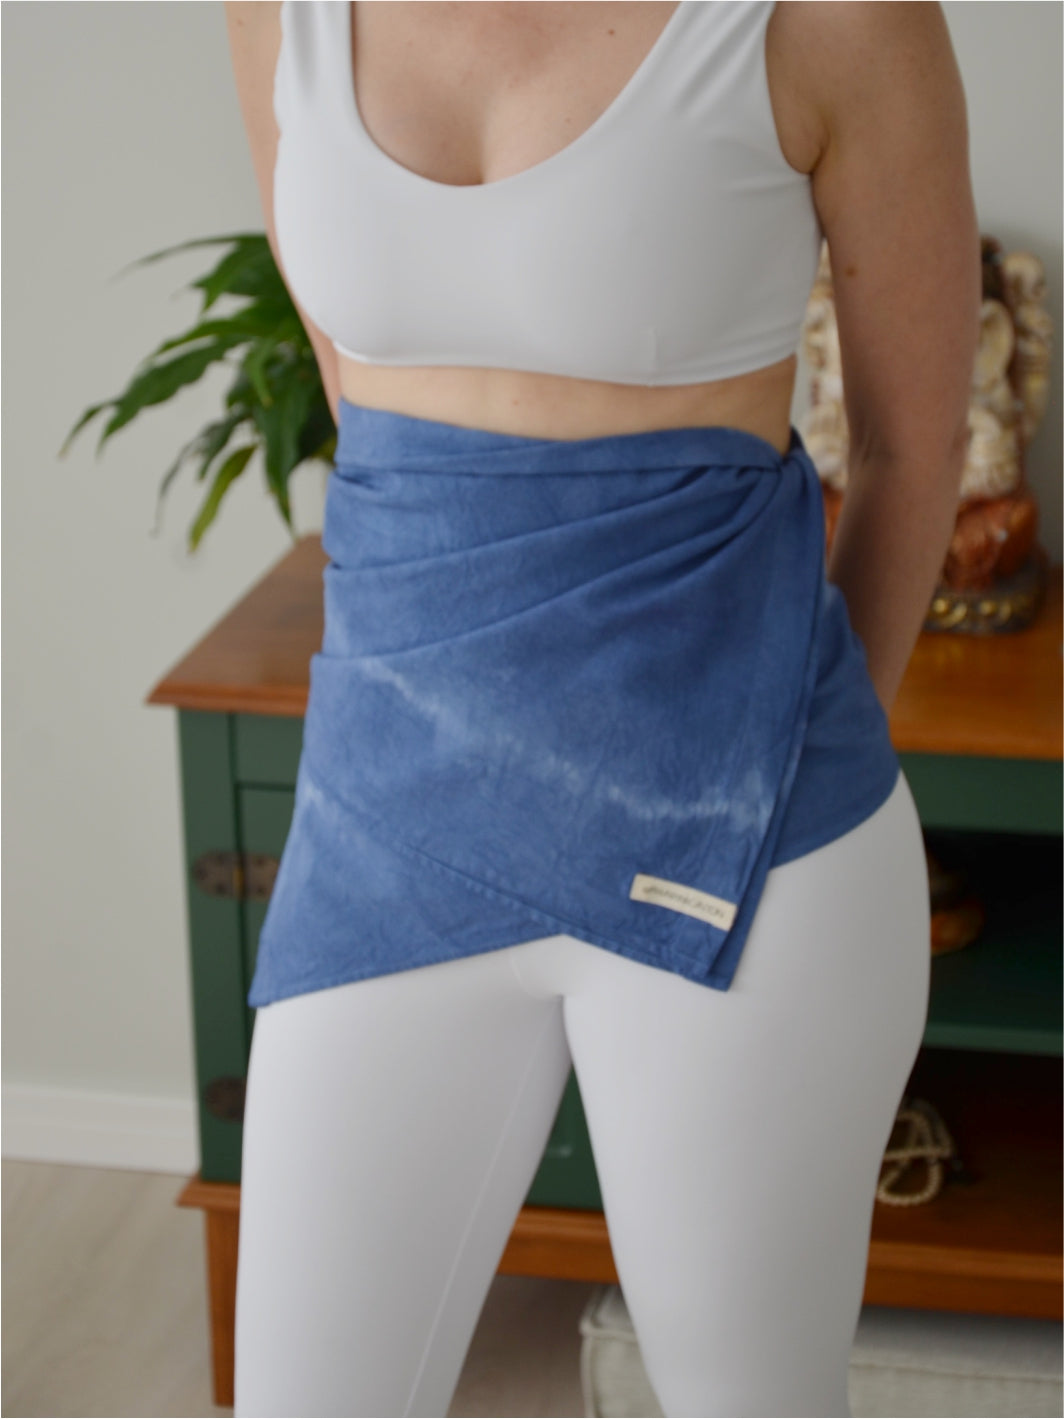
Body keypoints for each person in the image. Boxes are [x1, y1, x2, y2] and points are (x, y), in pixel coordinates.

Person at [223, 3, 980, 1415]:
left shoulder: (834, 18)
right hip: (388, 817)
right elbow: (367, 409)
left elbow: (911, 444)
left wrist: (766, 751)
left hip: (748, 837)